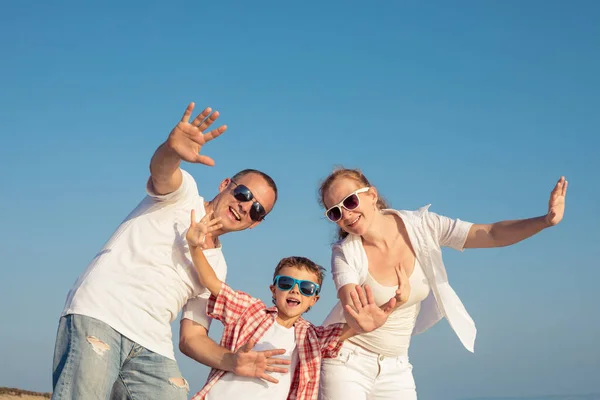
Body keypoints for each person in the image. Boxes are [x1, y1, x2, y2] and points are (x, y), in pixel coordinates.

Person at [52, 102, 290, 400]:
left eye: (256, 209)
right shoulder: (184, 195)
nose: (244, 206)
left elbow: (192, 337)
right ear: (225, 184)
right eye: (243, 193)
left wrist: (233, 361)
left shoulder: (217, 267)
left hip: (153, 344)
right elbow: (162, 171)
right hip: (102, 314)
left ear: (255, 224)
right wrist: (171, 149)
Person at [317, 167, 568, 399]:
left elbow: (490, 234)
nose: (347, 214)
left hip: (397, 365)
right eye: (335, 212)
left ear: (372, 194)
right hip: (347, 360)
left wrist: (544, 221)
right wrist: (383, 310)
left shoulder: (423, 226)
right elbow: (352, 308)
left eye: (350, 201)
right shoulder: (345, 253)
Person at [184, 211, 401, 400]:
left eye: (306, 288)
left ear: (313, 299)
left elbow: (347, 330)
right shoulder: (249, 311)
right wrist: (195, 247)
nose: (295, 290)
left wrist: (382, 313)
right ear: (273, 289)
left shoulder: (311, 337)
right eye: (287, 283)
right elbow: (212, 283)